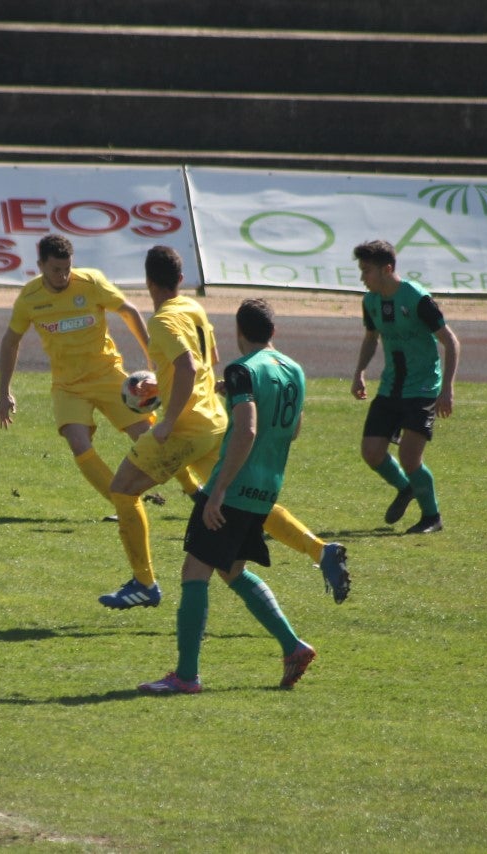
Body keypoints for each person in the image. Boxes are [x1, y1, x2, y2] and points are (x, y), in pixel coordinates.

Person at [100, 246, 349, 611]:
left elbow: (186, 367)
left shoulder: (162, 320)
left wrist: (167, 419)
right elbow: (208, 361)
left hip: (186, 428)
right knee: (244, 498)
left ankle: (144, 582)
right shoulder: (194, 308)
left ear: (149, 282)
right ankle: (319, 548)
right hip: (215, 420)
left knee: (122, 490)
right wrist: (166, 387)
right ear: (181, 279)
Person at [138, 298, 319, 693]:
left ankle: (186, 677)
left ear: (239, 332)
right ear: (273, 331)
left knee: (194, 572)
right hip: (267, 487)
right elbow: (293, 428)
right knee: (231, 569)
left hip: (234, 486)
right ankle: (293, 645)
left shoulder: (241, 370)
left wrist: (217, 490)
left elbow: (247, 430)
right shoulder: (295, 370)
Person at [0, 234, 153, 513]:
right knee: (78, 443)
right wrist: (4, 391)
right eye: (56, 269)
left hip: (107, 374)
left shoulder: (90, 282)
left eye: (67, 268)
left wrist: (153, 357)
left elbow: (128, 311)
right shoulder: (30, 298)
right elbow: (10, 341)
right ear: (40, 265)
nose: (63, 275)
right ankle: (123, 504)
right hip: (68, 386)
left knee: (150, 439)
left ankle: (195, 491)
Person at [351, 239, 461, 534]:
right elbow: (371, 338)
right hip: (390, 388)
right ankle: (406, 488)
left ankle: (432, 517)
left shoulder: (416, 298)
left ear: (388, 269)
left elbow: (451, 342)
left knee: (410, 459)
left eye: (367, 271)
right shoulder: (370, 301)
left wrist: (447, 389)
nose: (363, 277)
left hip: (422, 388)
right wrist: (359, 371)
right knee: (371, 453)